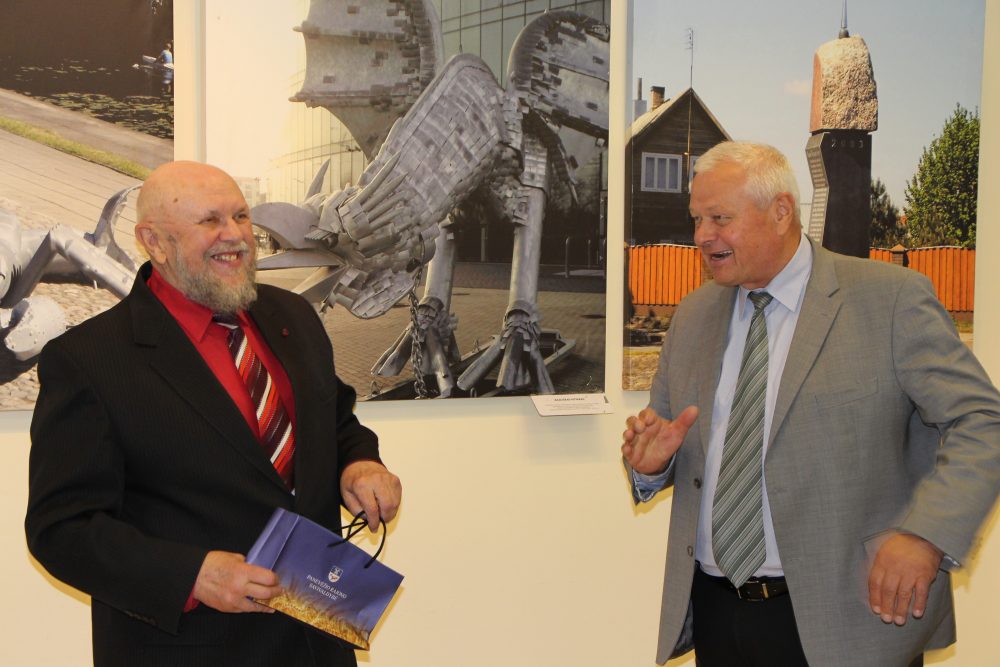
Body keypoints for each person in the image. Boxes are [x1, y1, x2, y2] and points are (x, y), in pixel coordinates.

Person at [621, 141, 1000, 667]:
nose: (703, 235)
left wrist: (926, 536)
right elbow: (670, 440)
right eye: (697, 219)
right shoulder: (692, 315)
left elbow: (982, 421)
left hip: (849, 620)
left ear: (781, 211)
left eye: (720, 218)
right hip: (717, 611)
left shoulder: (890, 299)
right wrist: (649, 466)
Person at [25, 161, 402, 666]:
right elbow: (61, 529)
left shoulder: (292, 316)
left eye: (240, 216)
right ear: (154, 242)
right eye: (210, 221)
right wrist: (192, 576)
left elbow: (334, 422)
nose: (236, 236)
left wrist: (360, 463)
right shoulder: (90, 360)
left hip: (317, 644)